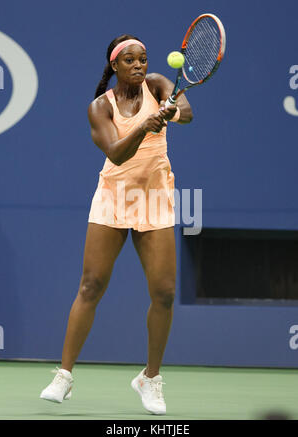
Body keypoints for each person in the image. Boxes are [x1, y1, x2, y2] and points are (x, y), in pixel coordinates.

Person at [40, 34, 193, 415]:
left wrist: (169, 112)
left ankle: (150, 379)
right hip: (113, 197)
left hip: (155, 198)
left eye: (143, 59)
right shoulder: (99, 108)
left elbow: (187, 111)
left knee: (165, 293)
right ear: (114, 66)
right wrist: (144, 127)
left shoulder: (159, 84)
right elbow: (116, 154)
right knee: (91, 286)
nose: (139, 65)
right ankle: (64, 375)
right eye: (130, 61)